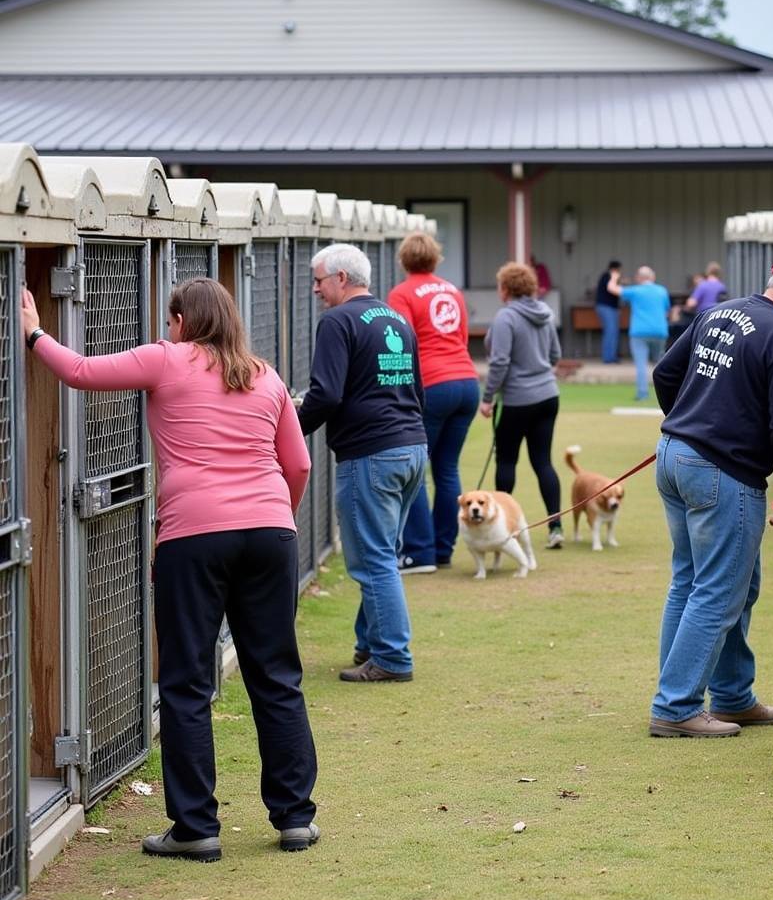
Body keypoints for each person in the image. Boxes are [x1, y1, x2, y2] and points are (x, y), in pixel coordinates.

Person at [20, 279, 318, 861]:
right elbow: (298, 464)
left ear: (182, 320)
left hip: (194, 535)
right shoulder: (265, 374)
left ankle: (196, 827)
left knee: (185, 683)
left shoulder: (165, 359)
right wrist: (278, 518)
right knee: (277, 676)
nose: (166, 329)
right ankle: (295, 819)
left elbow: (80, 371)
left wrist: (33, 333)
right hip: (270, 533)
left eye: (169, 319)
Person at [648, 252, 773, 739]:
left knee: (701, 581)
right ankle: (675, 708)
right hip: (721, 472)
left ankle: (732, 696)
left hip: (674, 456)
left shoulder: (719, 312)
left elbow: (664, 376)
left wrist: (692, 423)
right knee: (717, 589)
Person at [297, 243, 427, 682]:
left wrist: (289, 429)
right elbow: (417, 386)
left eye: (318, 280)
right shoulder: (397, 318)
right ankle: (368, 643)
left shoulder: (336, 322)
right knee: (383, 552)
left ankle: (392, 658)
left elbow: (326, 393)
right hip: (411, 447)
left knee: (373, 560)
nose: (315, 289)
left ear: (341, 278)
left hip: (371, 454)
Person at [387, 231, 479, 574]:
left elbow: (402, 342)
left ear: (403, 260)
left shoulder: (402, 294)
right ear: (436, 258)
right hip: (466, 381)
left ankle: (419, 552)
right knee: (448, 468)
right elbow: (463, 336)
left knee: (417, 470)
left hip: (432, 385)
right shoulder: (451, 290)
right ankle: (443, 548)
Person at [480, 261, 565, 549]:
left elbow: (500, 361)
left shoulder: (506, 318)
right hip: (548, 395)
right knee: (543, 461)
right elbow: (555, 354)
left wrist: (488, 397)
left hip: (517, 399)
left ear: (506, 289)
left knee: (506, 460)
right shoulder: (545, 313)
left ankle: (500, 525)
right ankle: (556, 527)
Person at [606, 265, 671, 400]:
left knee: (641, 365)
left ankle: (642, 393)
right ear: (652, 277)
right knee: (661, 364)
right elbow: (667, 311)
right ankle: (667, 394)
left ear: (639, 278)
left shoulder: (635, 291)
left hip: (639, 332)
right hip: (659, 331)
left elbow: (612, 289)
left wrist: (613, 277)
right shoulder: (662, 291)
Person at [594, 260, 623, 364]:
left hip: (611, 308)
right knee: (610, 332)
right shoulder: (608, 276)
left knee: (613, 332)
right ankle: (608, 358)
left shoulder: (609, 276)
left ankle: (612, 356)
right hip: (606, 307)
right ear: (614, 269)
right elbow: (612, 289)